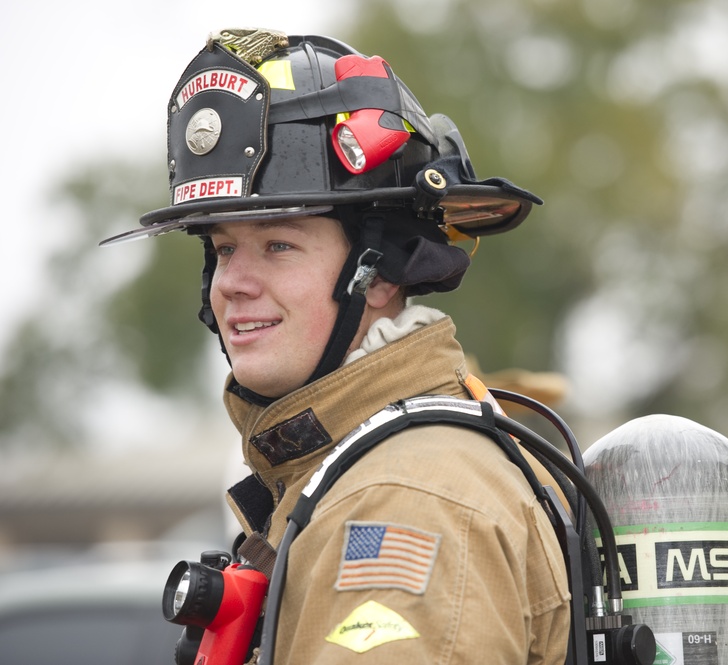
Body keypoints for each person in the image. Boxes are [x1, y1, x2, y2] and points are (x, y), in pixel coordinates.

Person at [102, 29, 571, 665]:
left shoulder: (401, 503)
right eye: (224, 248)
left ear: (377, 275)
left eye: (278, 245)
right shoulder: (354, 469)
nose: (233, 283)